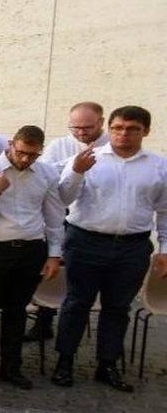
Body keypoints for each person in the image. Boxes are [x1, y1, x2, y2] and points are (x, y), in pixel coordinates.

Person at [51, 106, 167, 391]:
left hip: (133, 246)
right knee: (76, 303)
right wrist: (77, 172)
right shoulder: (87, 159)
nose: (123, 134)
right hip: (85, 240)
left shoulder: (158, 166)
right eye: (117, 128)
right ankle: (64, 361)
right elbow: (63, 197)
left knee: (118, 308)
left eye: (132, 129)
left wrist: (164, 247)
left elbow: (164, 210)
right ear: (109, 128)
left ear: (145, 131)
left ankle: (107, 364)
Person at [0, 126, 64, 388]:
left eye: (32, 154)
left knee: (16, 311)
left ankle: (11, 366)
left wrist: (54, 254)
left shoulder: (47, 173)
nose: (25, 159)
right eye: (20, 152)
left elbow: (54, 217)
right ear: (11, 145)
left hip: (30, 250)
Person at [45, 101, 105, 167]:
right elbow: (44, 173)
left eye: (87, 128)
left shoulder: (113, 144)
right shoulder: (58, 145)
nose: (81, 132)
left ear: (101, 122)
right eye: (76, 127)